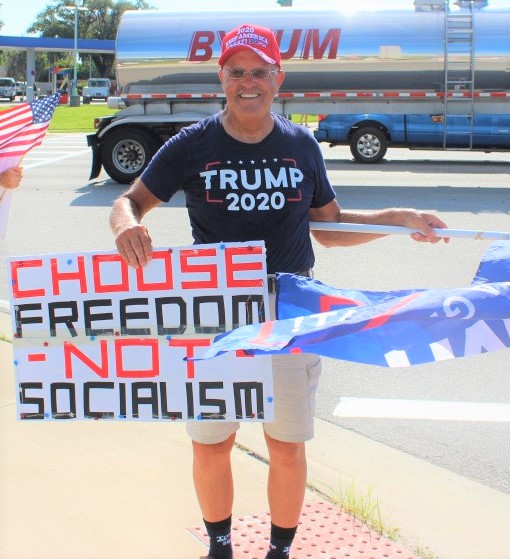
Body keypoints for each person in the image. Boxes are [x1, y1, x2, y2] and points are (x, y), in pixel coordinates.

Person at [109, 23, 448, 559]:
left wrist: (399, 219)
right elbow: (129, 200)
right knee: (212, 442)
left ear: (277, 77)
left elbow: (330, 226)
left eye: (259, 71)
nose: (249, 82)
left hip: (290, 315)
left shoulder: (300, 144)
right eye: (238, 71)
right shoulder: (191, 145)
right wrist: (125, 225)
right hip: (217, 317)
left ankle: (279, 551)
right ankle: (220, 545)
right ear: (221, 77)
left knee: (286, 447)